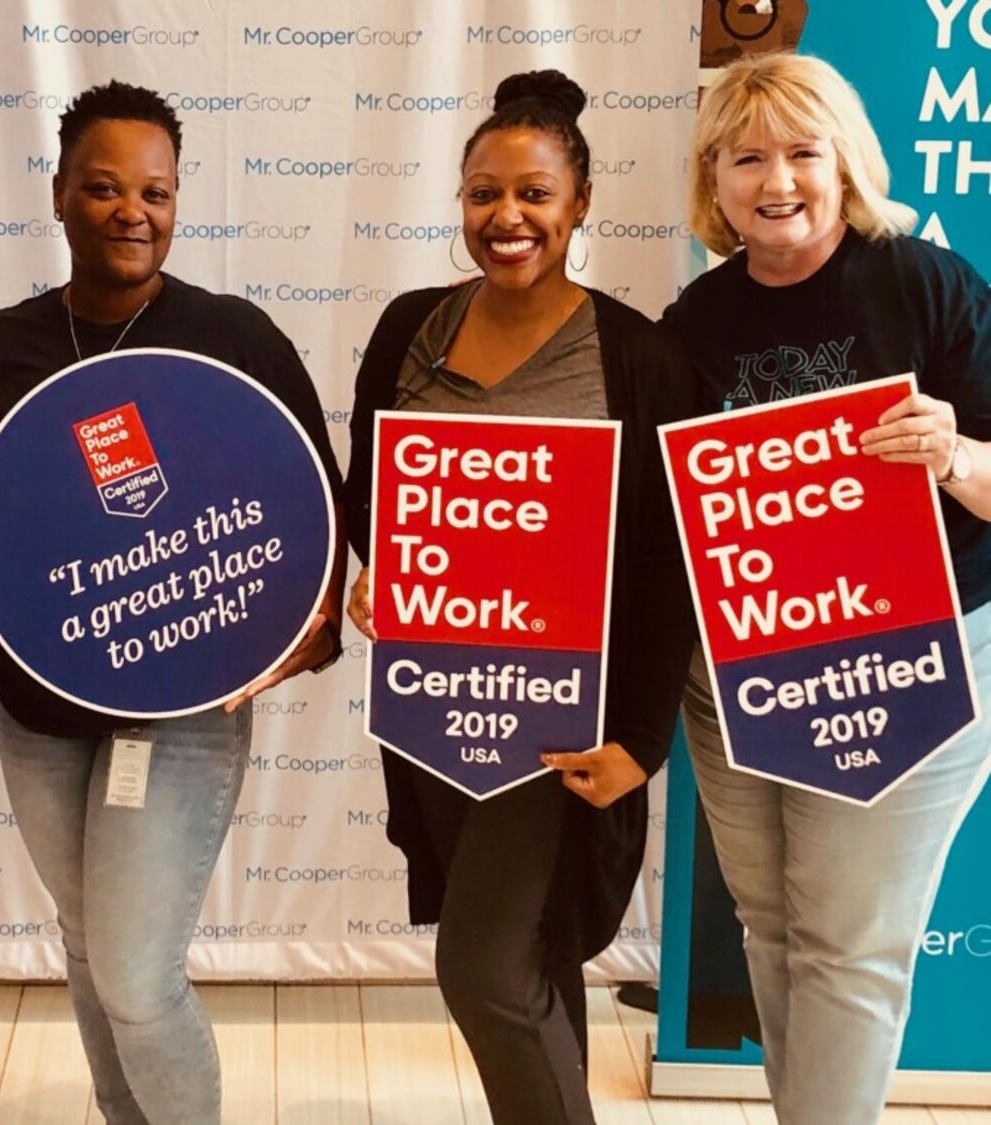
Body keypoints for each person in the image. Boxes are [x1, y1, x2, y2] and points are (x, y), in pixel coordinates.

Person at [0, 80, 343, 1125]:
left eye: (155, 190)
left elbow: (317, 515)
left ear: (179, 202)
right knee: (92, 945)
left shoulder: (232, 338)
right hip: (40, 706)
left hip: (181, 709)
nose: (130, 210)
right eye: (102, 187)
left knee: (139, 976)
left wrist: (311, 633)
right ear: (58, 195)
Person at [342, 69, 695, 1124]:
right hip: (438, 704)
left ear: (579, 204)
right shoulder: (413, 326)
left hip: (565, 731)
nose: (508, 217)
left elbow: (668, 570)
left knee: (485, 971)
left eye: (534, 194)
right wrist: (381, 571)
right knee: (528, 962)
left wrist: (641, 737)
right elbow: (375, 490)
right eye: (484, 193)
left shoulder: (638, 357)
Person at [663, 51, 991, 1125]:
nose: (778, 180)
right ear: (713, 180)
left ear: (844, 157)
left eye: (802, 150)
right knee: (773, 928)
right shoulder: (695, 323)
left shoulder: (925, 283)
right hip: (746, 667)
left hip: (913, 657)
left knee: (850, 946)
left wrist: (951, 456)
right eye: (746, 156)